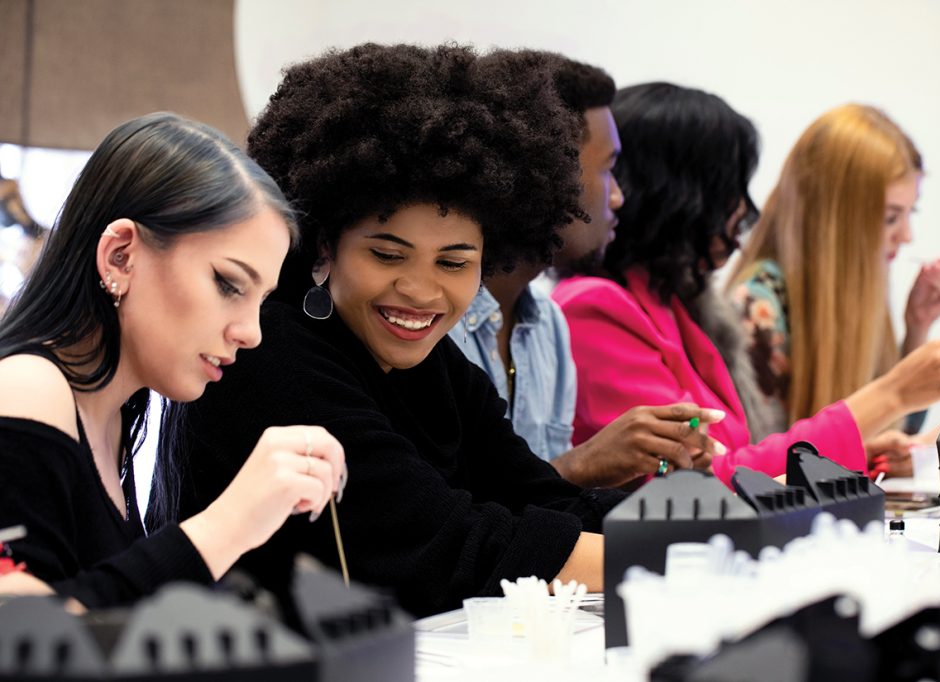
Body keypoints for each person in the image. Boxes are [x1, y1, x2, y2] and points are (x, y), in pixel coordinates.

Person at [169, 44, 629, 618]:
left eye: (454, 263)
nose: (419, 291)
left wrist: (703, 530)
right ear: (324, 241)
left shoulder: (430, 364)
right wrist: (653, 560)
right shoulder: (268, 354)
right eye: (388, 256)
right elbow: (441, 546)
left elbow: (538, 494)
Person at [552, 83, 940, 485]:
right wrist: (892, 395)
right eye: (729, 190)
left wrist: (866, 435)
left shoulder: (674, 308)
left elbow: (740, 456)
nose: (745, 211)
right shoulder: (600, 309)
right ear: (678, 196)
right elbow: (700, 485)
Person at [0, 113, 345, 607]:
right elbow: (21, 636)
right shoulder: (26, 388)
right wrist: (231, 523)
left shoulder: (114, 416)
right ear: (121, 255)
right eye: (228, 284)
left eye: (260, 300)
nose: (251, 333)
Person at [450, 54, 724, 488]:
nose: (617, 198)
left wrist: (636, 472)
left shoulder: (547, 325)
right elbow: (448, 527)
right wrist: (583, 466)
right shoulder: (434, 323)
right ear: (546, 174)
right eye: (608, 169)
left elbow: (546, 512)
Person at [726, 103, 940, 475]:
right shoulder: (757, 308)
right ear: (835, 217)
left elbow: (894, 428)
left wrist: (917, 325)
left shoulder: (857, 288)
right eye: (889, 217)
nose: (906, 236)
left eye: (908, 213)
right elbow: (758, 472)